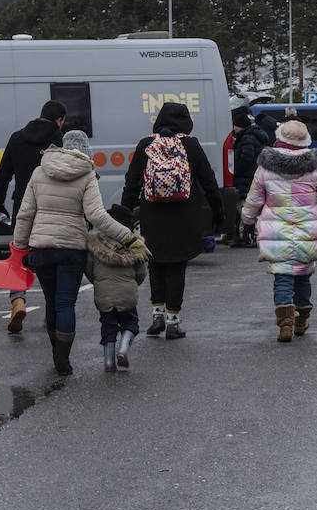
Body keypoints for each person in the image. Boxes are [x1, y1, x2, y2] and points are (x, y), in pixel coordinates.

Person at [12, 130, 136, 376]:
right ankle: (63, 358)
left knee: (50, 301)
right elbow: (96, 216)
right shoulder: (87, 173)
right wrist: (127, 237)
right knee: (66, 303)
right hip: (72, 249)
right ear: (86, 149)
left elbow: (25, 213)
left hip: (42, 248)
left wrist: (19, 246)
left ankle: (56, 352)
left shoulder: (40, 171)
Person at [120, 102, 224, 340]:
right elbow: (209, 181)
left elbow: (132, 181)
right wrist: (219, 213)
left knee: (155, 262)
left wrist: (126, 214)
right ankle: (173, 321)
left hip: (152, 213)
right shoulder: (191, 145)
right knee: (177, 265)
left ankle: (156, 315)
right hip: (184, 214)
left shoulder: (146, 145)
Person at [240, 121, 317, 342]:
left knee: (282, 277)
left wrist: (247, 220)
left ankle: (285, 324)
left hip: (276, 231)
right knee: (303, 277)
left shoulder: (265, 167)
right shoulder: (316, 167)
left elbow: (254, 200)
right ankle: (301, 320)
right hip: (308, 230)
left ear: (279, 137)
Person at [0, 100, 65, 333]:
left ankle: (18, 301)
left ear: (39, 114)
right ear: (59, 121)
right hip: (50, 207)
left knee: (19, 256)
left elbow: (2, 175)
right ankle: (50, 313)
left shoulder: (17, 138)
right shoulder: (58, 140)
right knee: (49, 260)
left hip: (22, 207)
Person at [85, 209, 150, 372]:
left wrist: (99, 283)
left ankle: (108, 362)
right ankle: (123, 350)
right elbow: (141, 273)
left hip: (104, 295)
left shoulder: (95, 245)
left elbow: (89, 270)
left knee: (108, 328)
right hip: (127, 294)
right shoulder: (135, 246)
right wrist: (133, 284)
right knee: (130, 324)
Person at [230, 109, 269, 247]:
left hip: (246, 177)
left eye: (234, 125)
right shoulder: (253, 136)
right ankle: (246, 236)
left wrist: (235, 169)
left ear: (239, 125)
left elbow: (246, 157)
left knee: (245, 207)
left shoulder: (247, 138)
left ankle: (255, 236)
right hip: (254, 176)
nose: (233, 128)